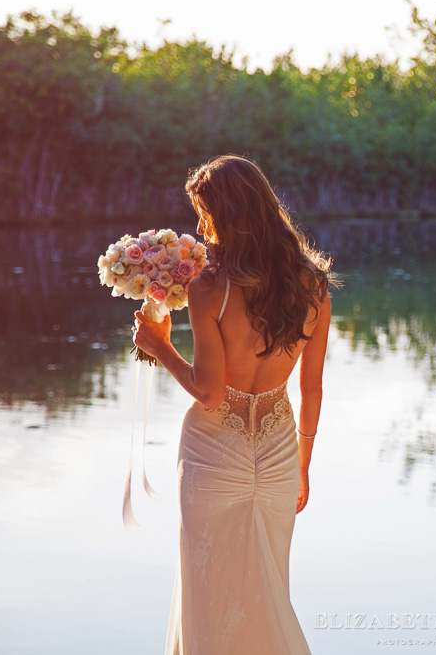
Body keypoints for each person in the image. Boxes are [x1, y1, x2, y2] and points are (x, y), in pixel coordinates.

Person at [132, 155, 334, 654]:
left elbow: (210, 391)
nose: (202, 227)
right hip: (280, 454)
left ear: (229, 214)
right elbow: (312, 388)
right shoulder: (314, 284)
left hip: (212, 450)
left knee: (208, 590)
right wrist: (303, 465)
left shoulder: (210, 287)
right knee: (266, 589)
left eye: (206, 214)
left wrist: (160, 346)